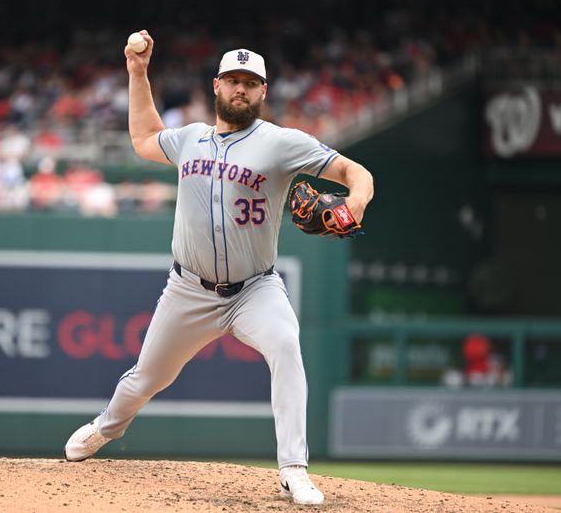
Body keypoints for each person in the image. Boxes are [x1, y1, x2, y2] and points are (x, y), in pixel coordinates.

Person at [64, 30, 374, 506]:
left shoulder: (282, 143)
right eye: (233, 80)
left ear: (263, 91)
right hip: (188, 290)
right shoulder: (190, 138)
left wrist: (355, 205)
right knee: (147, 377)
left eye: (250, 82)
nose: (241, 89)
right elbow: (145, 139)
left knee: (286, 345)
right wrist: (137, 72)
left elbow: (358, 173)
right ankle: (104, 429)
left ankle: (294, 469)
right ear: (216, 86)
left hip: (256, 289)